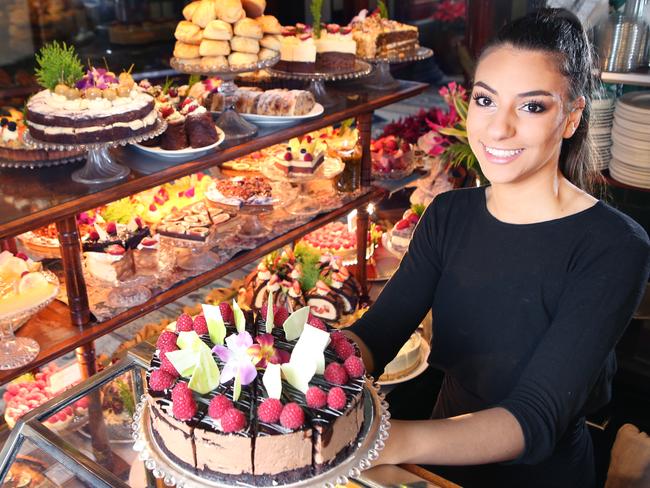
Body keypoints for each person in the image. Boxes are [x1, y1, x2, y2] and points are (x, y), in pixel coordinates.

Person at [346, 8, 650, 488]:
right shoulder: (449, 214)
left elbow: (535, 417)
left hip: (540, 475)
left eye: (532, 107)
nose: (498, 128)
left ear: (571, 119)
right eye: (486, 101)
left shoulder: (614, 247)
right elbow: (378, 334)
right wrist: (300, 364)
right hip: (436, 459)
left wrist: (382, 439)